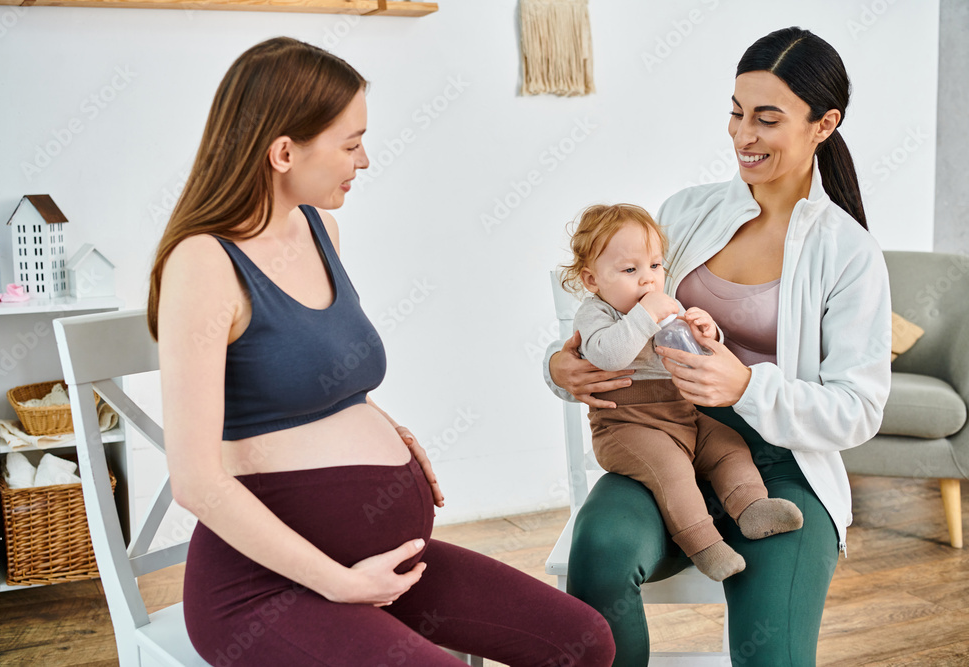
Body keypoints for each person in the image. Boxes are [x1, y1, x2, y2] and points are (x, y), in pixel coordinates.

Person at [148, 37, 614, 666]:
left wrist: (380, 428)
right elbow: (197, 481)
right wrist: (341, 583)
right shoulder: (203, 263)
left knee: (582, 643)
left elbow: (311, 373)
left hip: (380, 565)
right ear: (284, 151)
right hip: (265, 591)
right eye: (350, 143)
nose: (365, 159)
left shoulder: (320, 228)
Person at [544, 27, 891, 666]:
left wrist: (745, 387)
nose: (742, 135)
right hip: (662, 436)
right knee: (601, 557)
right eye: (735, 112)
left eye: (767, 118)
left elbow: (859, 410)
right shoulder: (685, 213)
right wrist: (560, 365)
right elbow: (607, 310)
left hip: (784, 466)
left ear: (824, 124)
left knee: (773, 655)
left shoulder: (849, 254)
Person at [562, 203, 803, 583]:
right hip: (625, 426)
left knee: (728, 444)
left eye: (655, 266)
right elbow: (609, 356)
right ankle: (705, 545)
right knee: (672, 469)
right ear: (592, 280)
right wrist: (646, 315)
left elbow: (697, 355)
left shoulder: (662, 305)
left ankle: (753, 507)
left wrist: (707, 333)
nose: (648, 281)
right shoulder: (597, 315)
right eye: (630, 270)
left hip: (681, 414)